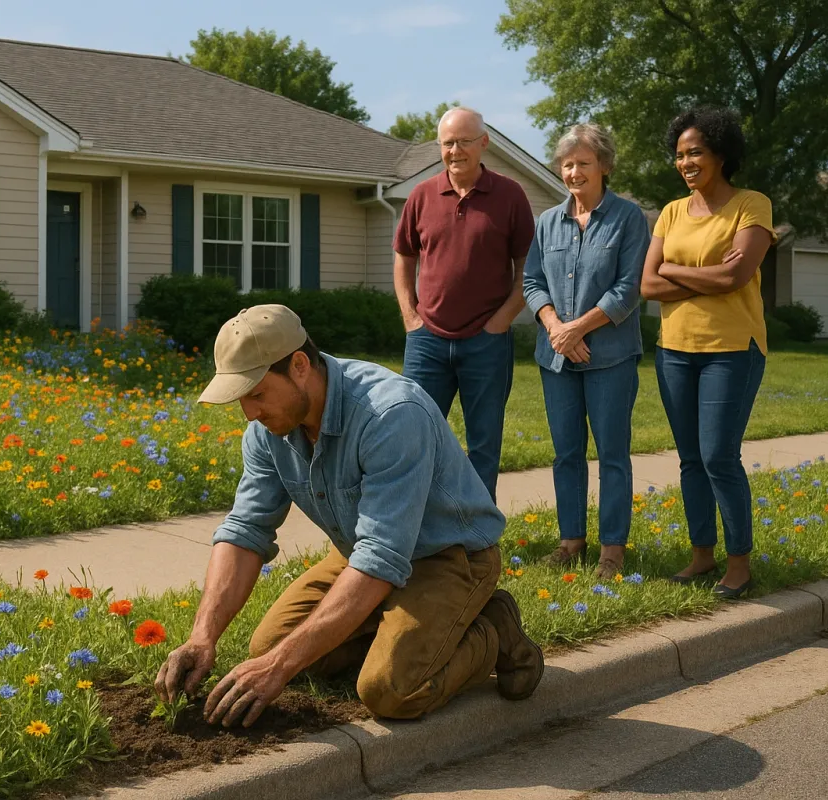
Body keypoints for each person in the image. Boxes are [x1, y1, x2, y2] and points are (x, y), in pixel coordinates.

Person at [155, 305, 543, 727]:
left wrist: (280, 665)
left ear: (299, 366)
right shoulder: (269, 433)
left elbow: (381, 556)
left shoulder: (390, 414)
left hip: (447, 557)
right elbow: (246, 530)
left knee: (388, 691)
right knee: (270, 647)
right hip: (366, 553)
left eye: (257, 393)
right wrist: (202, 637)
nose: (250, 413)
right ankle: (400, 629)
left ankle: (492, 629)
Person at [641, 106, 774, 599]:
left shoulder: (751, 204)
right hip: (674, 350)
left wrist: (675, 269)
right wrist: (700, 275)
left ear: (720, 152)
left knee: (719, 454)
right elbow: (647, 283)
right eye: (679, 155)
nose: (686, 162)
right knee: (691, 458)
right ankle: (702, 554)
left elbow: (735, 277)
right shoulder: (672, 211)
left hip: (732, 350)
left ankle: (739, 562)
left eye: (695, 151)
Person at [523, 123, 650, 580]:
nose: (574, 171)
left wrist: (578, 328)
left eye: (583, 163)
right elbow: (532, 282)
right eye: (567, 163)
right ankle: (571, 541)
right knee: (566, 452)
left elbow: (630, 287)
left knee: (612, 452)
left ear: (605, 167)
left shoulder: (629, 218)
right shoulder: (546, 222)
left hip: (611, 357)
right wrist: (557, 328)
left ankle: (612, 548)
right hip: (556, 357)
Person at [393, 107, 536, 502]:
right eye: (448, 143)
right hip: (427, 341)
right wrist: (410, 316)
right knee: (413, 435)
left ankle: (478, 539)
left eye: (464, 142)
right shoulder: (421, 195)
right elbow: (404, 257)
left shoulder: (509, 195)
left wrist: (501, 321)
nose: (455, 150)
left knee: (484, 444)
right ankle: (418, 528)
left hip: (486, 342)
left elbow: (528, 265)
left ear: (484, 143)